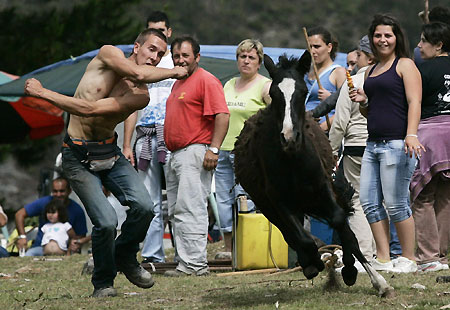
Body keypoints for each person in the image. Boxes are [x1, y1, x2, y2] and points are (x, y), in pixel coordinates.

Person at [24, 29, 188, 297]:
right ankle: (103, 282)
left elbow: (91, 109)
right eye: (151, 49)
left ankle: (124, 254)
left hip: (109, 155)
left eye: (160, 55)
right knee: (106, 220)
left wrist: (44, 93)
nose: (155, 57)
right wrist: (173, 73)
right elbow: (130, 76)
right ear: (136, 47)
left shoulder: (141, 96)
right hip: (76, 155)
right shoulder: (108, 54)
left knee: (145, 207)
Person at [350, 14, 423, 273]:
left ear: (396, 38)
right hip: (372, 144)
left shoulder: (405, 65)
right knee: (369, 202)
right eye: (378, 35)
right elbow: (370, 112)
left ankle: (409, 258)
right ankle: (382, 258)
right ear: (372, 39)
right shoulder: (370, 71)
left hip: (398, 144)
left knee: (396, 203)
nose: (382, 40)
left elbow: (414, 102)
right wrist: (363, 101)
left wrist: (411, 135)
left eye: (387, 35)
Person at [163, 36, 230, 276]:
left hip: (195, 151)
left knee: (191, 208)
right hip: (175, 154)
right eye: (177, 56)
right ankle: (185, 261)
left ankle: (195, 265)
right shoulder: (177, 82)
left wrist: (213, 149)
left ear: (197, 58)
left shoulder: (206, 80)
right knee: (176, 210)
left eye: (185, 56)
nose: (180, 60)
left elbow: (222, 115)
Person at [123, 11, 175, 264]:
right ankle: (152, 254)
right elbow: (131, 107)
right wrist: (126, 144)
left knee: (177, 198)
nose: (158, 36)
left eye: (162, 31)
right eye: (152, 31)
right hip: (144, 135)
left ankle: (186, 253)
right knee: (149, 198)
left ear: (170, 33)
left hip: (174, 136)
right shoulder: (137, 66)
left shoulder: (177, 61)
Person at [214, 39, 271, 260]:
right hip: (223, 150)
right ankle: (229, 248)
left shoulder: (265, 86)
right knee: (222, 200)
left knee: (244, 197)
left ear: (259, 63)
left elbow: (275, 118)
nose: (246, 61)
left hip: (248, 153)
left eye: (251, 57)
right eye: (242, 56)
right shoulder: (228, 85)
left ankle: (248, 246)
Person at [329, 35, 377, 265]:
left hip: (357, 147)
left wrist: (330, 151)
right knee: (381, 202)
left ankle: (365, 254)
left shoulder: (354, 81)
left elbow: (339, 123)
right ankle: (383, 252)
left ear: (368, 56)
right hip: (384, 144)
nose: (355, 59)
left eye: (358, 54)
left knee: (357, 201)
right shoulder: (392, 79)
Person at [411, 22, 450, 272]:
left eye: (424, 40)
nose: (419, 45)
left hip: (430, 136)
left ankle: (429, 257)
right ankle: (442, 256)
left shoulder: (422, 70)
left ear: (439, 45)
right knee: (446, 197)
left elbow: (411, 103)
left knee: (423, 196)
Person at [14, 177, 88, 257]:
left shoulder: (76, 210)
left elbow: (79, 236)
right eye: (55, 191)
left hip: (63, 250)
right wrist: (22, 236)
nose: (58, 194)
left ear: (69, 191)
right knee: (28, 255)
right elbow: (19, 214)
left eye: (62, 191)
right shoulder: (44, 202)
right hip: (40, 248)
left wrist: (73, 246)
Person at [304, 26, 347, 130]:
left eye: (317, 46)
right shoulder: (305, 74)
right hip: (303, 129)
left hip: (323, 131)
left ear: (329, 47)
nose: (312, 51)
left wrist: (322, 128)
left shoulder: (338, 72)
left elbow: (346, 108)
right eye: (310, 47)